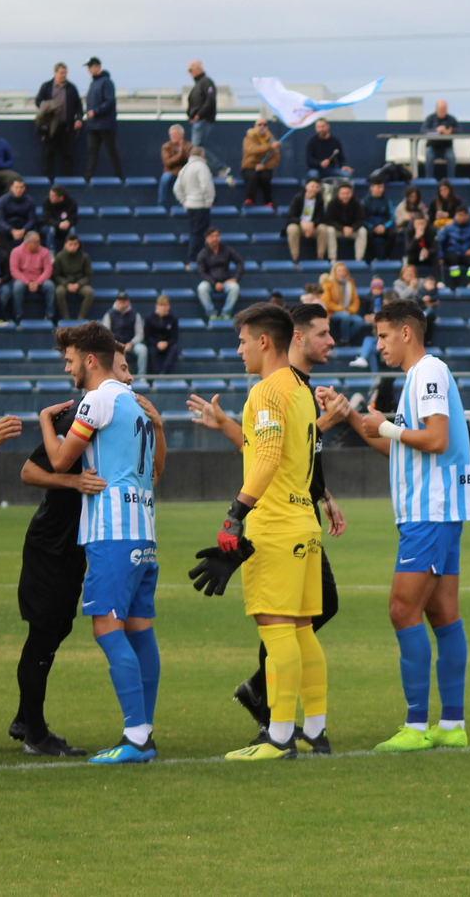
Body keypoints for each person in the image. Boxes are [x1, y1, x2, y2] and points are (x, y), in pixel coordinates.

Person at [195, 305, 329, 760]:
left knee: (275, 630)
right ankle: (314, 730)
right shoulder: (299, 388)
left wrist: (235, 513)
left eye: (243, 341)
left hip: (275, 525)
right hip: (304, 523)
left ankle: (278, 737)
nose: (240, 350)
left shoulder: (267, 391)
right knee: (302, 629)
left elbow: (268, 458)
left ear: (264, 341)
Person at [340, 301, 470, 752]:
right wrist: (354, 418)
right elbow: (400, 447)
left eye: (382, 336)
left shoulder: (429, 371)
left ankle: (417, 727)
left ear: (405, 332)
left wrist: (387, 428)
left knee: (402, 610)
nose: (378, 346)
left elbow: (435, 438)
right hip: (436, 510)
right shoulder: (417, 378)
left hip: (429, 511)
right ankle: (451, 724)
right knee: (441, 614)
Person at [39, 322, 166, 764]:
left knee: (107, 628)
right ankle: (144, 730)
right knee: (140, 631)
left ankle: (136, 739)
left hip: (111, 533)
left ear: (91, 360)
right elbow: (154, 473)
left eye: (71, 360)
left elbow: (58, 460)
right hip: (144, 531)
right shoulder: (134, 402)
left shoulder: (98, 399)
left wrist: (43, 422)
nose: (68, 368)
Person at [11, 347, 130, 758]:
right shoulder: (78, 414)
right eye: (125, 367)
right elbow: (29, 471)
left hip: (77, 542)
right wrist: (74, 482)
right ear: (104, 364)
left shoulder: (118, 413)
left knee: (56, 629)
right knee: (44, 633)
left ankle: (26, 718)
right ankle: (35, 734)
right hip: (51, 544)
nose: (130, 376)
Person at [34, 63, 82, 179]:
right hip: (50, 127)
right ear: (55, 73)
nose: (63, 75)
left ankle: (68, 181)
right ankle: (48, 180)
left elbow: (78, 105)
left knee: (68, 155)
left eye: (65, 73)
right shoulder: (47, 86)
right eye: (61, 73)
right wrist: (51, 108)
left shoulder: (71, 88)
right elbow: (38, 102)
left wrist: (79, 119)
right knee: (49, 154)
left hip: (67, 127)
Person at [80, 57, 122, 183]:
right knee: (92, 151)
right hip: (92, 125)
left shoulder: (107, 82)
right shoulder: (93, 83)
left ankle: (118, 175)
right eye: (88, 67)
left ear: (98, 66)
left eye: (91, 66)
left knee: (111, 150)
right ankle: (88, 177)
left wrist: (96, 111)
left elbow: (109, 101)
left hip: (105, 124)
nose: (89, 69)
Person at [173, 146, 216, 266]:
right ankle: (194, 258)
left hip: (191, 205)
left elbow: (177, 188)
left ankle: (196, 257)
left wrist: (184, 202)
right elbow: (206, 186)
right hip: (201, 206)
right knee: (199, 233)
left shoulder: (185, 168)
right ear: (202, 155)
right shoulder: (202, 167)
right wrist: (209, 201)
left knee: (194, 232)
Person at [3, 231, 55, 324]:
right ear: (27, 243)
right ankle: (18, 315)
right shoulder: (16, 251)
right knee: (17, 286)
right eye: (36, 242)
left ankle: (50, 316)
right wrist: (27, 282)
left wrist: (37, 282)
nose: (38, 244)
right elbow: (14, 271)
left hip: (39, 280)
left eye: (39, 241)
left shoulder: (45, 251)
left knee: (50, 285)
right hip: (23, 280)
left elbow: (48, 270)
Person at [195, 227, 244, 320]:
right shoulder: (202, 254)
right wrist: (214, 283)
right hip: (210, 281)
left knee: (235, 287)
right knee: (201, 288)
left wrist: (236, 277)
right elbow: (201, 272)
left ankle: (226, 313)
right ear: (207, 239)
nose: (215, 238)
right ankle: (211, 314)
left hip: (226, 281)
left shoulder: (227, 249)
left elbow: (240, 262)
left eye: (217, 236)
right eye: (212, 236)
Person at [285, 179, 331, 263]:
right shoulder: (298, 198)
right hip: (299, 225)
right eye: (312, 186)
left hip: (312, 226)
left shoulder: (319, 199)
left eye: (317, 187)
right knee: (292, 228)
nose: (314, 189)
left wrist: (312, 224)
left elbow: (321, 217)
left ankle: (320, 256)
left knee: (323, 229)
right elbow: (290, 216)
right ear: (306, 187)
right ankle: (295, 256)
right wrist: (301, 222)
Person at [438, 205, 470, 288]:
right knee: (453, 259)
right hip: (453, 254)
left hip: (467, 254)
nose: (459, 217)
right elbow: (441, 243)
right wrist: (441, 257)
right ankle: (455, 283)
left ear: (467, 216)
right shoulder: (448, 228)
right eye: (457, 215)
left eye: (461, 215)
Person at [53, 235, 95, 321]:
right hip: (65, 284)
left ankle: (81, 317)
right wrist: (66, 284)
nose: (73, 247)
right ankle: (66, 318)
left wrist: (79, 284)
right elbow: (56, 275)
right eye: (70, 244)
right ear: (65, 245)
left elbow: (89, 276)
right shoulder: (59, 257)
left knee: (89, 292)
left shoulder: (84, 257)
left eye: (75, 244)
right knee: (59, 291)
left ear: (78, 245)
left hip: (79, 284)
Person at [241, 117, 281, 207]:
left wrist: (265, 166)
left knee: (266, 177)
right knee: (253, 176)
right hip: (249, 167)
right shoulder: (249, 138)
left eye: (265, 124)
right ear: (255, 126)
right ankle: (250, 199)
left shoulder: (272, 139)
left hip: (265, 168)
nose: (262, 126)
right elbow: (252, 150)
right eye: (260, 124)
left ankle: (268, 202)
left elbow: (276, 158)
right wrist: (270, 146)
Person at [324, 182, 368, 262]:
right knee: (329, 230)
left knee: (362, 231)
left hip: (352, 231)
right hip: (338, 230)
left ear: (351, 193)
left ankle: (359, 259)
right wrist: (343, 228)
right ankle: (332, 259)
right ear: (338, 194)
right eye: (343, 193)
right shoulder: (332, 203)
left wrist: (352, 228)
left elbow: (361, 220)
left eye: (347, 193)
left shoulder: (357, 203)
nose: (345, 196)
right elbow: (329, 220)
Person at [107, 292, 148, 376]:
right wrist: (116, 344)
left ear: (128, 302)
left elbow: (140, 334)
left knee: (142, 350)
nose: (122, 302)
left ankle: (142, 377)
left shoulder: (135, 315)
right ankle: (112, 377)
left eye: (124, 300)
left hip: (131, 345)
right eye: (120, 300)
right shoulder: (109, 314)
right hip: (115, 345)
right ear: (116, 301)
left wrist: (131, 343)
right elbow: (106, 333)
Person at [318, 262, 360, 344]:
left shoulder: (350, 283)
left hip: (348, 311)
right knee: (345, 316)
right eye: (339, 270)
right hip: (333, 312)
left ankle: (341, 340)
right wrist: (341, 309)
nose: (342, 272)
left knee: (359, 321)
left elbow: (356, 300)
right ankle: (345, 340)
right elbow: (326, 302)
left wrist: (351, 309)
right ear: (335, 272)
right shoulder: (328, 284)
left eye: (344, 270)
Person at [0, 177, 38, 245]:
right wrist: (12, 230)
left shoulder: (30, 201)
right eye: (16, 187)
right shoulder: (3, 200)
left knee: (35, 233)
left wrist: (23, 230)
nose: (19, 190)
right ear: (11, 187)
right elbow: (0, 220)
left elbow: (32, 220)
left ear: (24, 188)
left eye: (21, 187)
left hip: (24, 228)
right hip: (8, 228)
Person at [422, 99, 458, 181]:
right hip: (432, 147)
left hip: (446, 147)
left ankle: (451, 180)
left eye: (444, 110)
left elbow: (460, 130)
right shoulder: (430, 119)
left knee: (451, 157)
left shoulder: (451, 119)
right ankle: (429, 180)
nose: (443, 112)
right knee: (429, 156)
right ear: (436, 109)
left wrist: (451, 131)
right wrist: (436, 130)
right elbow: (423, 130)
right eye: (441, 110)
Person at [185, 60, 218, 149]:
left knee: (197, 149)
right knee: (198, 149)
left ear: (198, 69)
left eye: (190, 70)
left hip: (203, 120)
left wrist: (199, 115)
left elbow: (210, 100)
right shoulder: (198, 85)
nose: (189, 73)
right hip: (198, 121)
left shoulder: (206, 82)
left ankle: (218, 164)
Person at [158, 124, 192, 209]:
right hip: (171, 172)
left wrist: (180, 154)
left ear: (182, 135)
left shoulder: (189, 146)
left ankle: (189, 204)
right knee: (164, 179)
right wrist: (180, 154)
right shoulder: (166, 147)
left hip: (184, 172)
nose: (173, 136)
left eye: (175, 134)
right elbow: (167, 163)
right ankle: (161, 204)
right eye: (171, 134)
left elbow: (189, 160)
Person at [145, 295, 180, 374]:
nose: (163, 308)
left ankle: (164, 373)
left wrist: (167, 343)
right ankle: (157, 374)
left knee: (174, 349)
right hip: (154, 344)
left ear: (169, 306)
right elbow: (148, 336)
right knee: (152, 351)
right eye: (161, 305)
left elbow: (174, 337)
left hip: (168, 345)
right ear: (156, 306)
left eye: (165, 305)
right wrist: (156, 343)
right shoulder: (149, 318)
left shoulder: (173, 318)